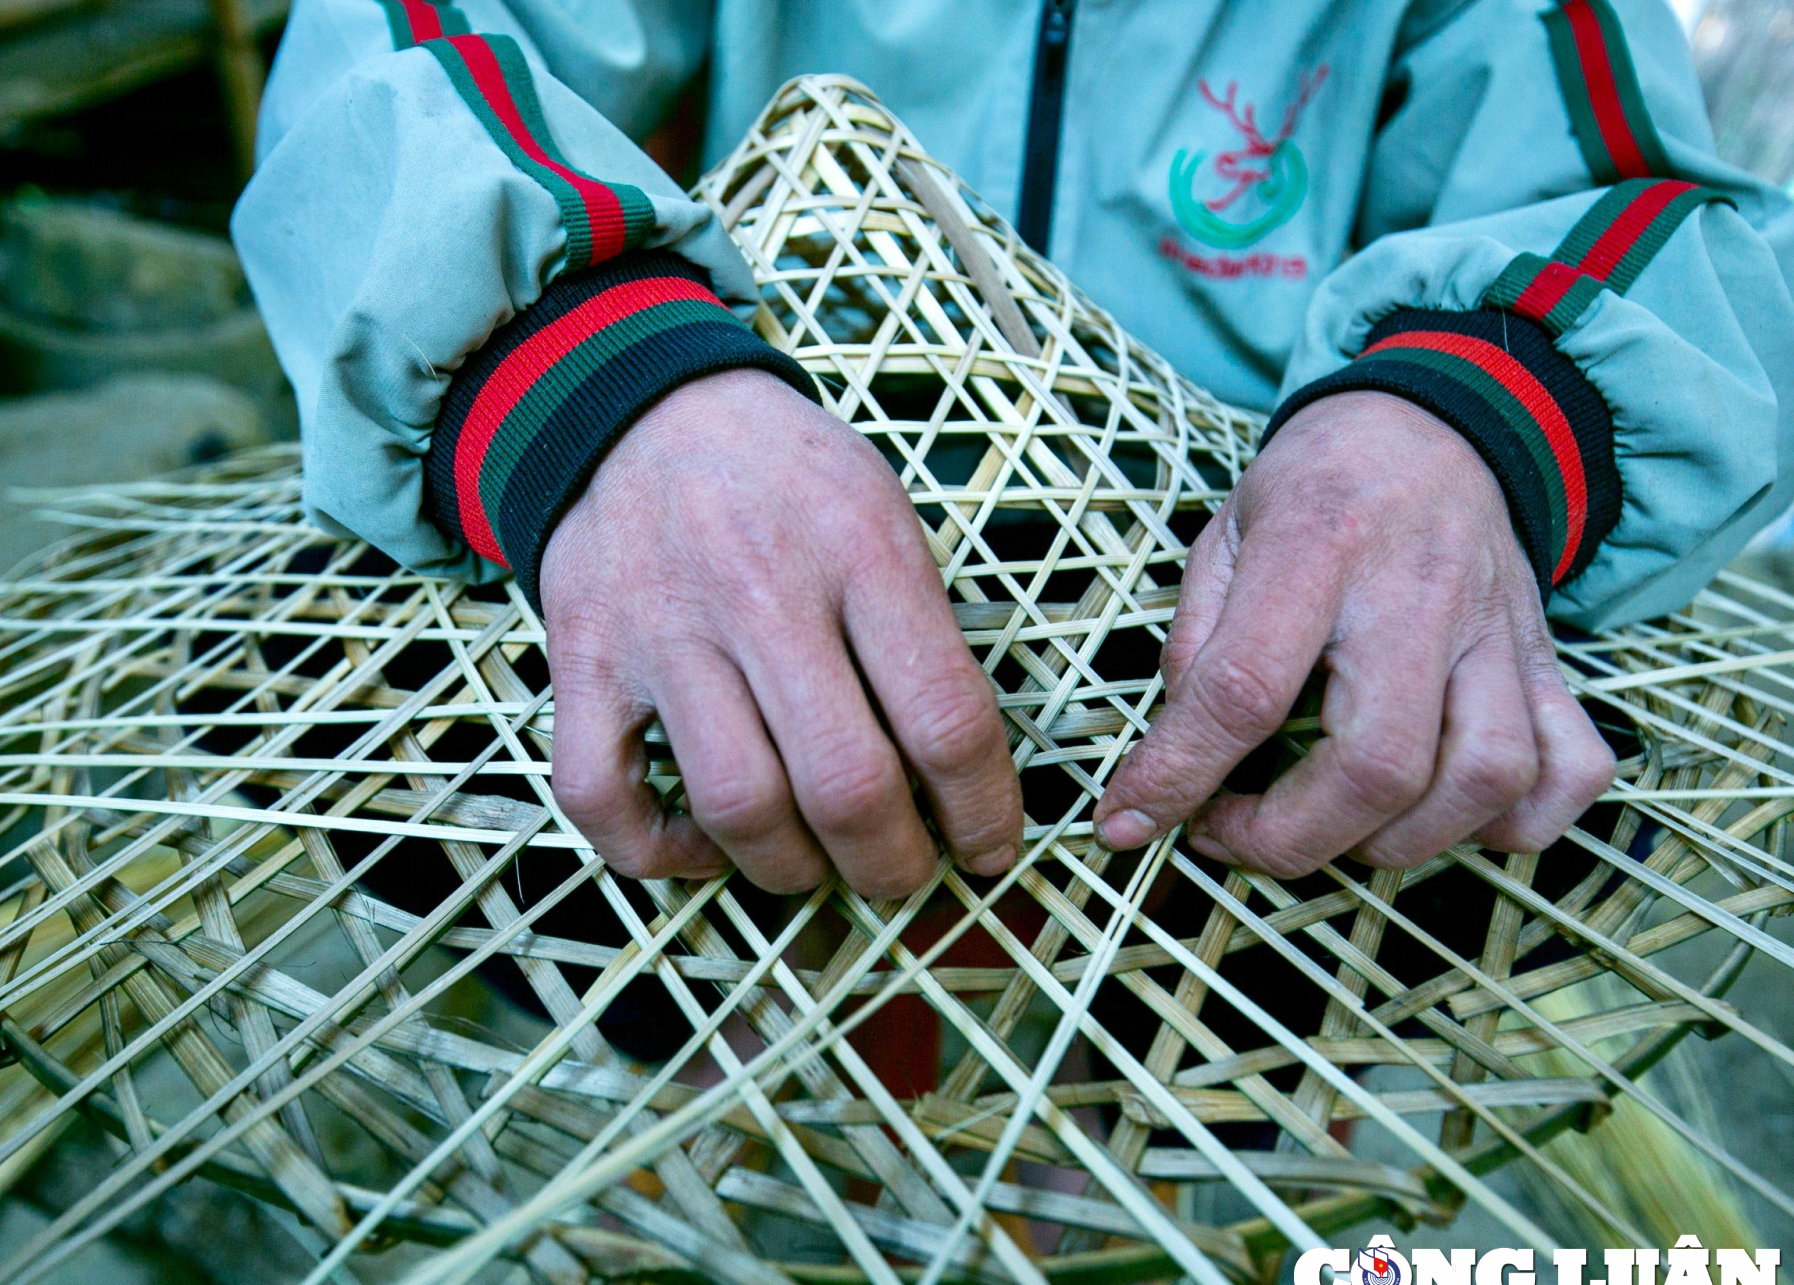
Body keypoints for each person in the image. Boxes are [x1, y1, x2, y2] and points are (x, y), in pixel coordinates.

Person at [232, 0, 1794, 897]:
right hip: (702, 521)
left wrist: (1472, 419)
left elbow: (1647, 212)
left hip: (1211, 646)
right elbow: (407, 56)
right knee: (378, 734)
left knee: (1473, 811)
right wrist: (590, 384)